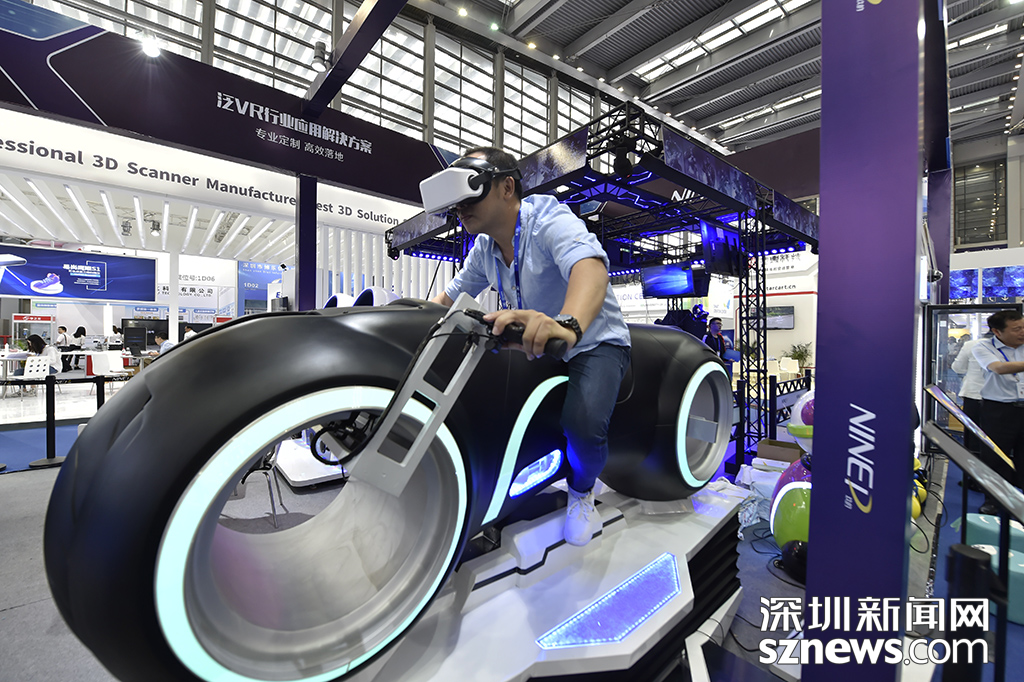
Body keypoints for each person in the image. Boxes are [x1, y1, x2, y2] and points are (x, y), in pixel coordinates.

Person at [428, 147, 631, 547]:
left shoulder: (548, 219)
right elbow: (446, 300)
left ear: (507, 188)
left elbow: (589, 268)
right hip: (537, 345)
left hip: (594, 342)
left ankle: (581, 493)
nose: (461, 208)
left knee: (583, 424)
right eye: (457, 201)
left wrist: (568, 324)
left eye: (471, 194)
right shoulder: (485, 249)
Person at [971, 310, 1024, 515]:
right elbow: (998, 368)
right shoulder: (983, 347)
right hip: (999, 410)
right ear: (997, 331)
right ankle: (994, 500)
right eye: (1016, 329)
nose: (1022, 332)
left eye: (1023, 327)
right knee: (995, 456)